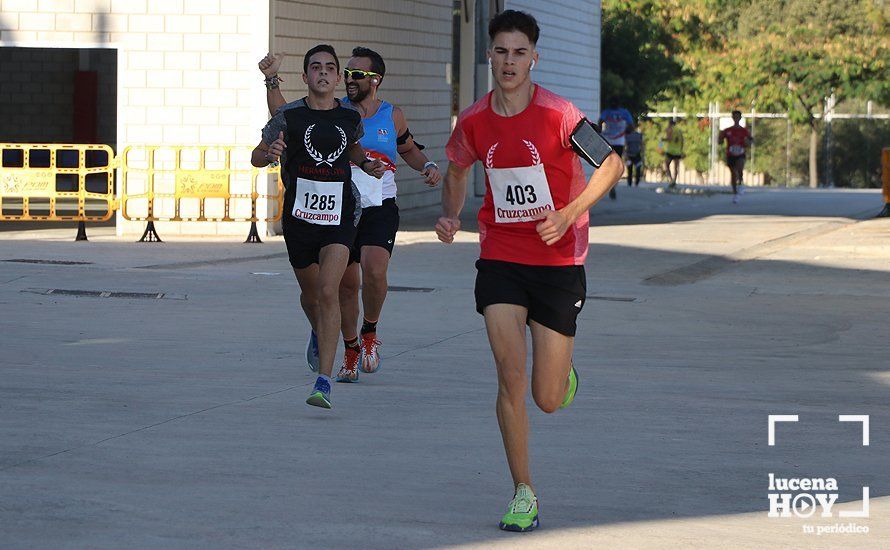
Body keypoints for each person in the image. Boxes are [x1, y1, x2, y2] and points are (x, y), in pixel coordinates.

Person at [437, 10, 623, 532]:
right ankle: (523, 490)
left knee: (545, 397)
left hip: (559, 261)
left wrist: (567, 212)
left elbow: (610, 164)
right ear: (490, 56)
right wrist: (451, 213)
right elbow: (456, 166)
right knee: (509, 377)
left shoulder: (560, 115)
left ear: (533, 58)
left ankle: (562, 377)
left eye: (520, 52)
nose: (509, 61)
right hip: (501, 256)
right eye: (501, 51)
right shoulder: (474, 119)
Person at [258, 47, 441, 382]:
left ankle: (369, 333)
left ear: (376, 80)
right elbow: (284, 116)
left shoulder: (391, 115)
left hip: (379, 202)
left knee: (374, 271)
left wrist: (426, 165)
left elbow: (409, 150)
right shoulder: (335, 108)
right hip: (343, 204)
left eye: (356, 75)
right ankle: (349, 346)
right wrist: (271, 82)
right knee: (342, 287)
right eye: (347, 74)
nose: (348, 80)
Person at [251, 44, 384, 409]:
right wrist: (270, 154)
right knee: (312, 297)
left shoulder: (349, 116)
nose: (323, 73)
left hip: (341, 214)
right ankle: (318, 329)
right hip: (300, 218)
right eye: (316, 67)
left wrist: (367, 164)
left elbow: (351, 149)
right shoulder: (288, 116)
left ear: (338, 77)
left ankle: (323, 381)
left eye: (330, 68)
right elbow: (256, 155)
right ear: (306, 76)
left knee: (329, 291)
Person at [598, 101, 633, 199]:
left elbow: (600, 121)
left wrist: (600, 132)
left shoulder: (607, 112)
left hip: (608, 140)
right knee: (617, 164)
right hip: (619, 141)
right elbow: (631, 126)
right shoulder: (624, 113)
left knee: (607, 163)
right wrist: (625, 131)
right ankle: (613, 185)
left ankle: (609, 184)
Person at [719, 110, 753, 203]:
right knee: (733, 173)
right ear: (733, 118)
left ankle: (741, 183)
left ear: (740, 118)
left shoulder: (744, 131)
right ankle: (735, 193)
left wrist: (748, 143)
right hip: (730, 154)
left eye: (738, 117)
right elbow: (720, 140)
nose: (736, 119)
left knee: (740, 168)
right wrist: (720, 137)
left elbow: (751, 140)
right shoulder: (728, 130)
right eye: (734, 117)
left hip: (740, 153)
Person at [661, 119, 683, 188]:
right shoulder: (679, 131)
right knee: (676, 167)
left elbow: (669, 138)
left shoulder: (669, 129)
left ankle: (671, 180)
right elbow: (682, 141)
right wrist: (681, 149)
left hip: (670, 150)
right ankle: (674, 180)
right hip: (678, 151)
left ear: (670, 124)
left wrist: (663, 140)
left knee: (666, 165)